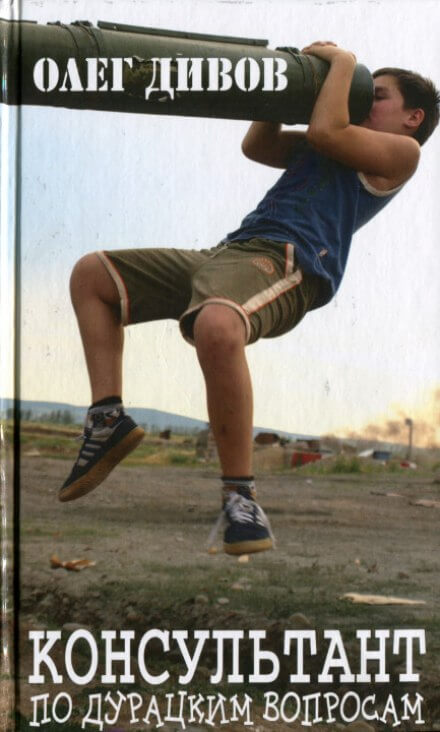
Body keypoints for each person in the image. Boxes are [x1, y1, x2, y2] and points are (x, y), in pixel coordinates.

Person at [58, 42, 439, 556]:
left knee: (218, 325)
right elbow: (258, 146)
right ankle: (107, 420)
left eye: (378, 95)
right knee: (93, 276)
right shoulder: (325, 142)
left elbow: (327, 131)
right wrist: (285, 88)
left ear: (413, 118)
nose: (364, 98)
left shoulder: (403, 154)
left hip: (288, 262)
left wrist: (343, 63)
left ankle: (240, 497)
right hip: (230, 254)